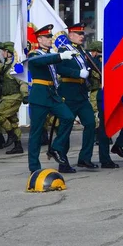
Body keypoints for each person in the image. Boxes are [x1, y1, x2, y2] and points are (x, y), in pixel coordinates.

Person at [26, 25, 76, 174]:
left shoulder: (51, 53)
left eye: (50, 37)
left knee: (68, 117)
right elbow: (41, 61)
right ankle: (34, 167)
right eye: (46, 37)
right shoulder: (34, 54)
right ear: (39, 39)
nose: (49, 39)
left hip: (52, 94)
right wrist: (60, 56)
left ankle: (55, 147)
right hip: (40, 95)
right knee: (36, 131)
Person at [55, 23, 98, 171]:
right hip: (69, 92)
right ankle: (62, 160)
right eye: (79, 34)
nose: (82, 37)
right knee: (66, 128)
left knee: (91, 123)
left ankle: (85, 158)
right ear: (71, 35)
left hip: (81, 93)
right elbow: (59, 68)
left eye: (82, 34)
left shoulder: (82, 51)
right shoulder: (63, 50)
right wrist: (77, 73)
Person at [0, 42, 29, 155]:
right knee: (13, 121)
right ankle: (18, 145)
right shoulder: (6, 65)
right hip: (6, 97)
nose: (2, 53)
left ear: (9, 52)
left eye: (4, 51)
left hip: (13, 97)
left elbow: (22, 82)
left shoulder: (15, 66)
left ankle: (11, 135)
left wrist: (25, 95)